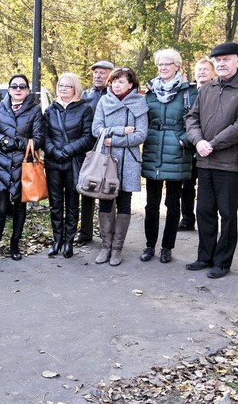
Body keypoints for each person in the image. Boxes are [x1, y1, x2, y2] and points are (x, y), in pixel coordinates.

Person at [185, 42, 238, 279]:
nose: (221, 63)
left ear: (237, 60)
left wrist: (213, 143)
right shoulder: (207, 88)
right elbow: (192, 118)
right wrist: (198, 141)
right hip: (204, 161)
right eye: (218, 60)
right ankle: (204, 256)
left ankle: (222, 262)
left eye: (226, 59)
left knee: (227, 214)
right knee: (204, 211)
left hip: (229, 163)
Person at [140, 49, 198, 264]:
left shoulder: (189, 92)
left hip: (177, 152)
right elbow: (143, 119)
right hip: (153, 149)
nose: (163, 68)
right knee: (151, 204)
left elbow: (196, 120)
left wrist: (184, 140)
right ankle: (149, 245)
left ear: (177, 66)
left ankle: (167, 247)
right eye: (160, 64)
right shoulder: (150, 91)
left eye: (167, 64)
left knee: (173, 204)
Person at [0, 74, 44, 261]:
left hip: (22, 165)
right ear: (9, 90)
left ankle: (14, 244)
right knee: (1, 208)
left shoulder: (35, 110)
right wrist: (3, 139)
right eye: (14, 86)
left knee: (19, 206)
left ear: (27, 90)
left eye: (22, 86)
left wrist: (16, 143)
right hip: (0, 165)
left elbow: (38, 139)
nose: (18, 89)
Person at [92, 67, 148, 266]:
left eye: (121, 81)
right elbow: (96, 129)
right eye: (114, 81)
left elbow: (141, 134)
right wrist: (121, 130)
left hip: (129, 161)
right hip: (106, 160)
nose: (116, 85)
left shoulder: (139, 102)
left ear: (131, 84)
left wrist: (112, 140)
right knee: (105, 201)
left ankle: (117, 249)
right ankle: (105, 247)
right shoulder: (104, 101)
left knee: (124, 202)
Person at [43, 73, 94, 258]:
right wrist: (55, 152)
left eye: (68, 86)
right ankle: (57, 240)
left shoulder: (85, 109)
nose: (63, 89)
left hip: (73, 162)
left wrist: (66, 151)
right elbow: (44, 135)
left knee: (72, 203)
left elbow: (88, 137)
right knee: (55, 203)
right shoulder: (50, 110)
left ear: (75, 89)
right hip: (53, 163)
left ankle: (68, 242)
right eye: (61, 86)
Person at [76, 60, 114, 245]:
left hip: (110, 147)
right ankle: (85, 232)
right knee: (87, 190)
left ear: (110, 76)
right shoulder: (85, 95)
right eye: (96, 73)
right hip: (88, 149)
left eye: (102, 73)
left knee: (109, 190)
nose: (98, 76)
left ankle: (109, 233)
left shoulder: (114, 95)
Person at [177, 58, 215, 232]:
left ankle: (207, 221)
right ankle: (187, 219)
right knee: (187, 185)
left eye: (205, 69)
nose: (201, 72)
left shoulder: (218, 91)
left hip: (208, 146)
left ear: (213, 73)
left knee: (207, 187)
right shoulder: (187, 92)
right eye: (199, 69)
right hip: (187, 145)